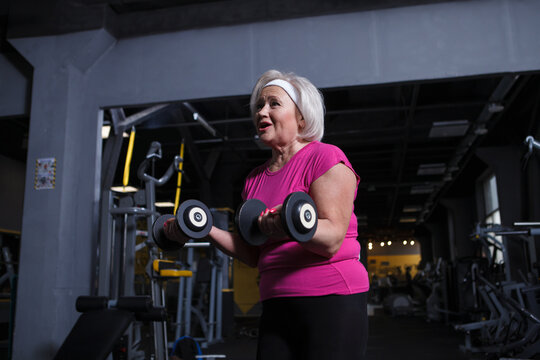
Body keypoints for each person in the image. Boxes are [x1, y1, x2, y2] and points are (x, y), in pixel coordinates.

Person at [164, 69, 369, 359]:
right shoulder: (254, 179)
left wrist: (284, 227)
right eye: (259, 105)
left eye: (274, 103)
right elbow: (253, 254)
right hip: (276, 301)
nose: (262, 111)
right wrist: (204, 228)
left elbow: (333, 238)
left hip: (331, 297)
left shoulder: (324, 157)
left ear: (301, 116)